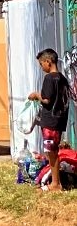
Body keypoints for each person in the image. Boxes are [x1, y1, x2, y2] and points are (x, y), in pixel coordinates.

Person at [28, 48, 71, 192]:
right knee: (52, 151)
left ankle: (56, 184)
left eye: (41, 64)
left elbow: (46, 100)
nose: (41, 67)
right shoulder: (63, 79)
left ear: (48, 61)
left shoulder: (49, 78)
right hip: (59, 120)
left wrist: (36, 95)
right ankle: (55, 182)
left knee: (51, 152)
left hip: (50, 122)